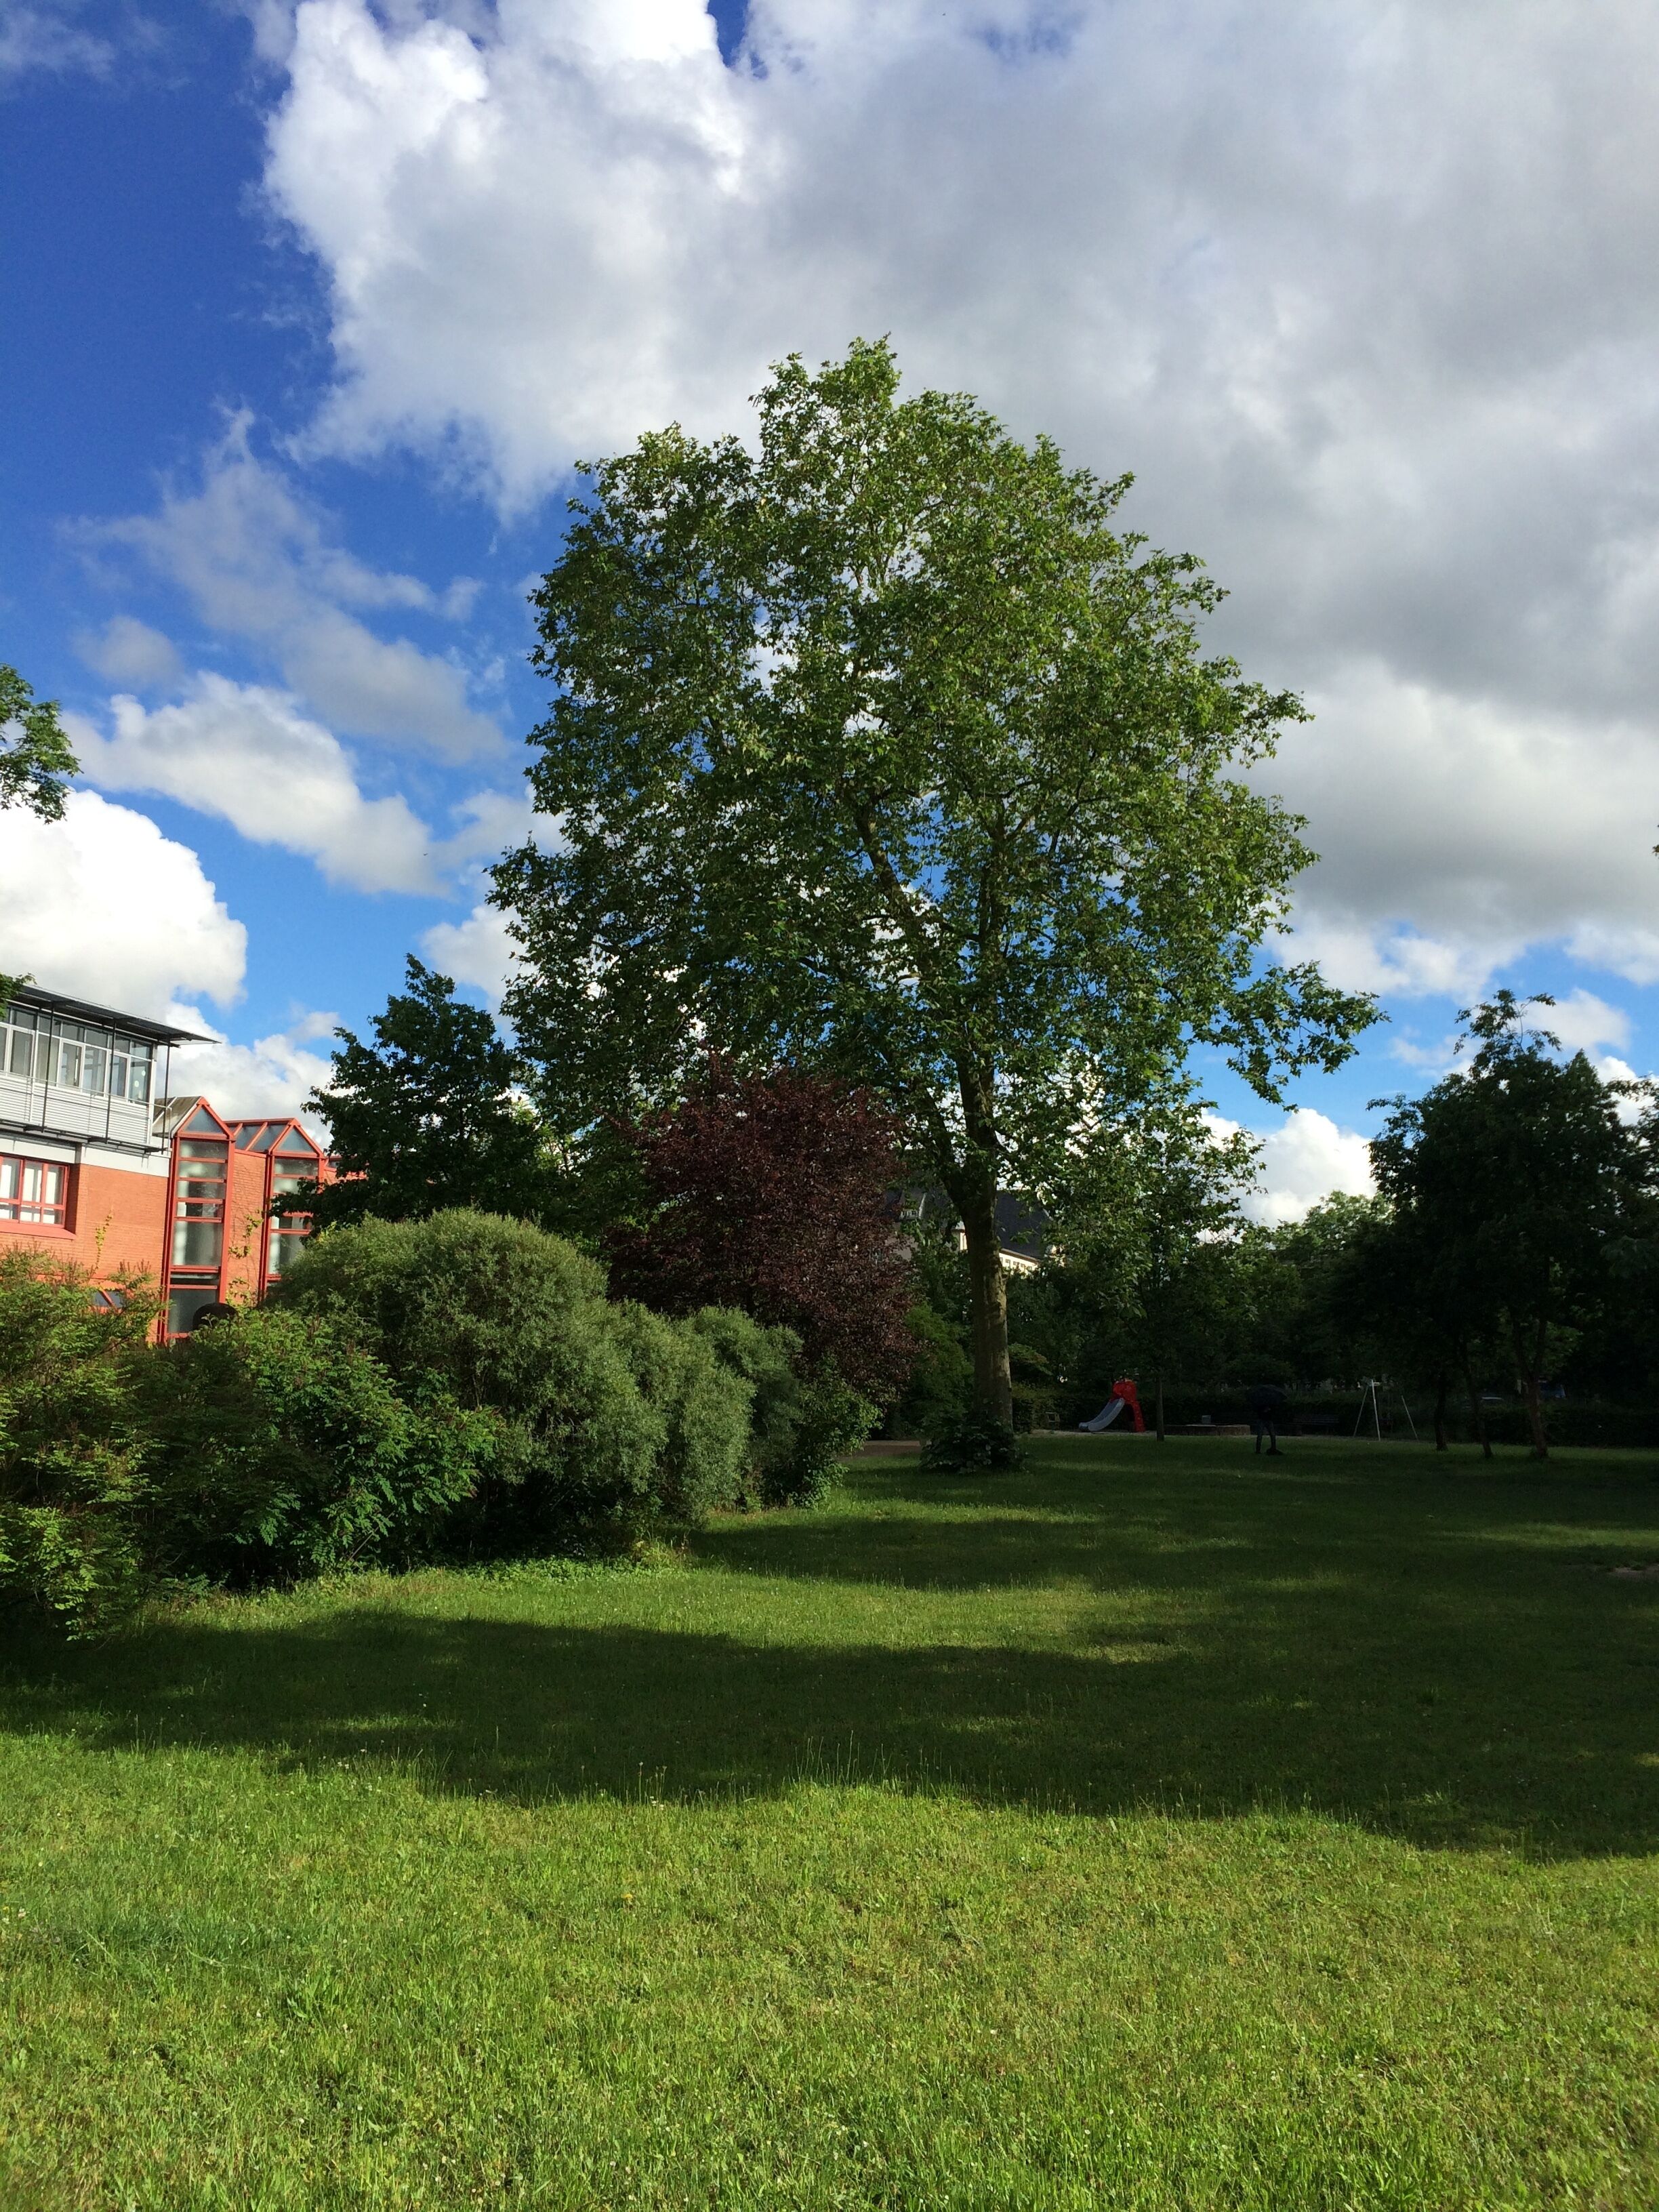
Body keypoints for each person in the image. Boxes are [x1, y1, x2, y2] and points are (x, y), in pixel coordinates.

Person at [1245, 1381, 1288, 1456]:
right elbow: (1257, 1410)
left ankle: (1272, 1448)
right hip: (1262, 1419)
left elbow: (1274, 1410)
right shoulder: (1260, 1403)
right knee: (1261, 1435)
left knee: (1272, 1435)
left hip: (1268, 1419)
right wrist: (1264, 1410)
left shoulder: (1268, 1402)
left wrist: (1269, 1410)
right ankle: (1259, 1450)